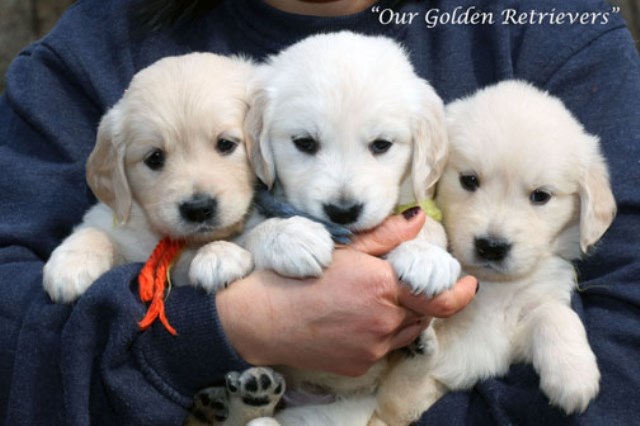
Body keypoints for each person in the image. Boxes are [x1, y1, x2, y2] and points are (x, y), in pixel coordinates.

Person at [0, 0, 637, 424]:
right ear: (264, 137)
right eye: (303, 144)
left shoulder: (554, 29)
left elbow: (622, 361)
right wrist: (228, 327)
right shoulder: (93, 46)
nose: (341, 192)